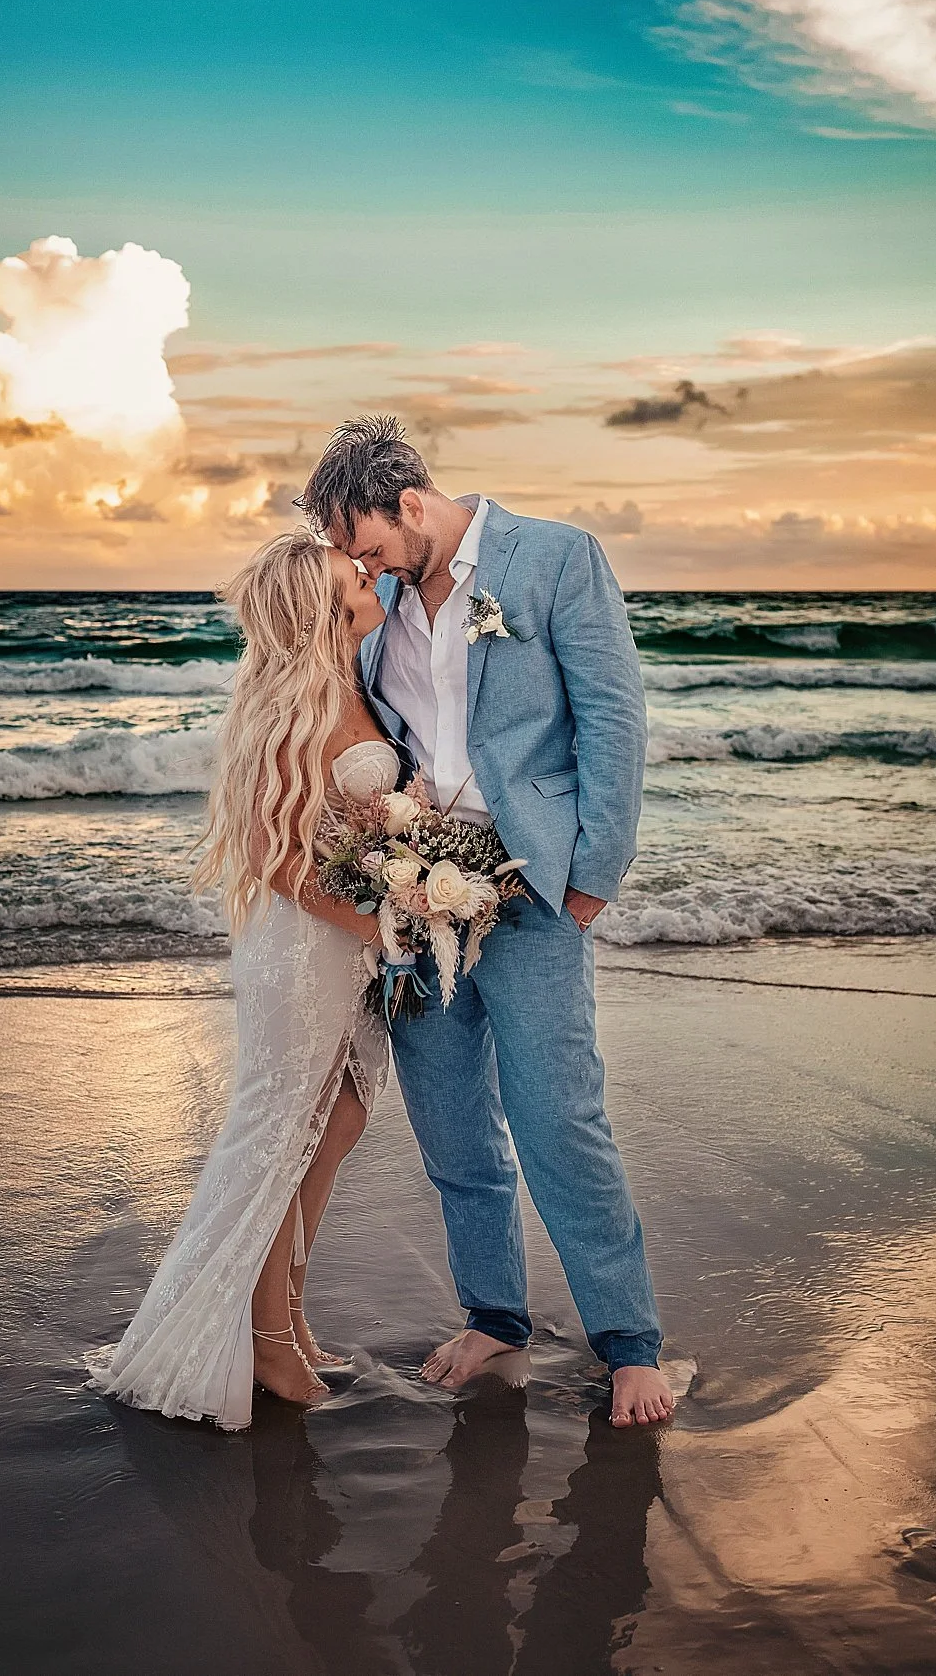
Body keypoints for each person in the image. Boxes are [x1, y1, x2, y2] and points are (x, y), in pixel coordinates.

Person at [298, 417, 673, 1427]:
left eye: (364, 542)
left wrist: (592, 873)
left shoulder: (552, 558)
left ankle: (628, 1341)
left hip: (532, 881)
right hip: (410, 886)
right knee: (453, 1121)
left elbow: (613, 717)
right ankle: (496, 1316)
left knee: (559, 1114)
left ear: (409, 504)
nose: (357, 564)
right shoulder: (375, 595)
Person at [88, 532, 394, 1429]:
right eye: (352, 575)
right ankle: (266, 1340)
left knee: (338, 1117)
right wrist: (384, 919)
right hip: (300, 946)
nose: (369, 574)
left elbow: (349, 828)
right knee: (279, 1132)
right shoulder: (285, 704)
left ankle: (292, 1308)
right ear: (319, 607)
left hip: (347, 939)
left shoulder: (353, 680)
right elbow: (274, 857)